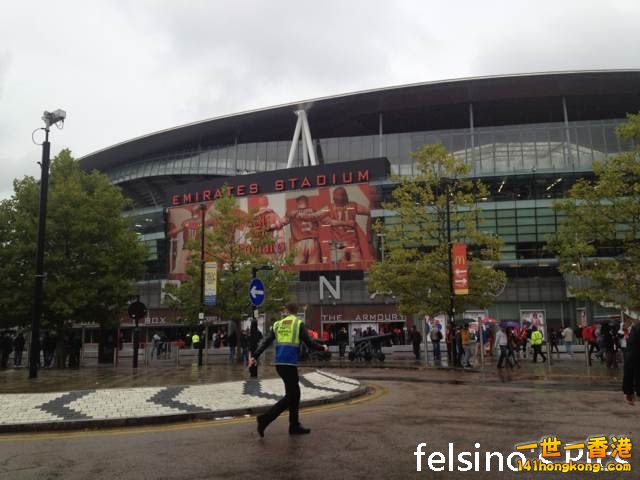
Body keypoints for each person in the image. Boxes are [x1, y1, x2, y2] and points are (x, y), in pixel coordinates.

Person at [250, 303, 328, 436]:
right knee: (292, 396)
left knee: (294, 394)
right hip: (289, 364)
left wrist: (255, 355)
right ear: (296, 311)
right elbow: (309, 343)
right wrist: (323, 347)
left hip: (280, 363)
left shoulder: (278, 324)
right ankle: (264, 419)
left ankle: (294, 426)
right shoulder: (298, 324)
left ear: (286, 311)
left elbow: (266, 342)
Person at [622, 321, 640, 405]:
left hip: (630, 354)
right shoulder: (636, 328)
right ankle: (633, 394)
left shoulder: (634, 327)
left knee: (629, 375)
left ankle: (629, 394)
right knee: (635, 374)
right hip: (635, 354)